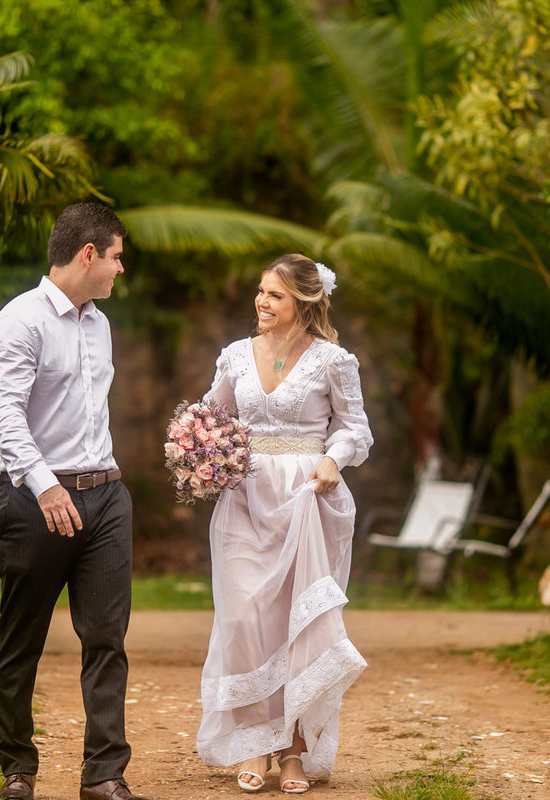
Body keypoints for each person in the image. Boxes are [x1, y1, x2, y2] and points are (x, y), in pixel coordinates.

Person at [0, 202, 148, 800]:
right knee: (21, 638)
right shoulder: (17, 323)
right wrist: (46, 484)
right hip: (33, 501)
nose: (119, 270)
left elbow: (87, 412)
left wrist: (104, 473)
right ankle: (18, 771)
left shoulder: (98, 323)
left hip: (104, 499)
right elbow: (5, 416)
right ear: (88, 254)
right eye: (116, 257)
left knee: (106, 638)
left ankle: (104, 775)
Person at [196, 254, 373, 794]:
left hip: (306, 501)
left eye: (274, 295)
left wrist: (332, 459)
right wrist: (197, 447)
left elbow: (356, 429)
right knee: (245, 617)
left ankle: (293, 749)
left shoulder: (334, 362)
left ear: (303, 303)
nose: (261, 302)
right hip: (244, 502)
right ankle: (254, 741)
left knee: (297, 626)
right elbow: (210, 415)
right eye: (260, 292)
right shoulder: (234, 357)